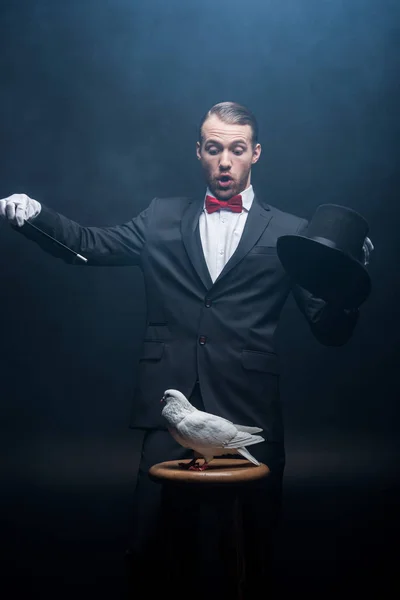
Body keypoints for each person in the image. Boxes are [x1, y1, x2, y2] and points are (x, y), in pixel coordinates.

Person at [0, 102, 371, 596]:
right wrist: (35, 215)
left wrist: (348, 284)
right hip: (170, 408)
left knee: (254, 550)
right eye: (213, 148)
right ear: (199, 152)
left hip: (249, 408)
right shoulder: (160, 218)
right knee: (151, 550)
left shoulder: (290, 231)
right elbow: (89, 245)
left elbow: (328, 327)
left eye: (236, 150)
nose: (224, 161)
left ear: (255, 154)